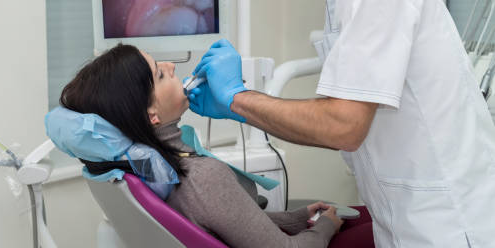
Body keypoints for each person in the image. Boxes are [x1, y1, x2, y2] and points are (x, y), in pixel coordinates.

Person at [188, 0, 495, 248]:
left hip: (445, 221)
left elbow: (343, 126)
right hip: (410, 214)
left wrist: (238, 98)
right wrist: (240, 105)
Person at [60, 43, 351, 248]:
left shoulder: (150, 169)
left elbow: (225, 219)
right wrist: (327, 226)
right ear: (152, 116)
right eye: (160, 74)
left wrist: (297, 218)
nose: (171, 66)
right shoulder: (200, 177)